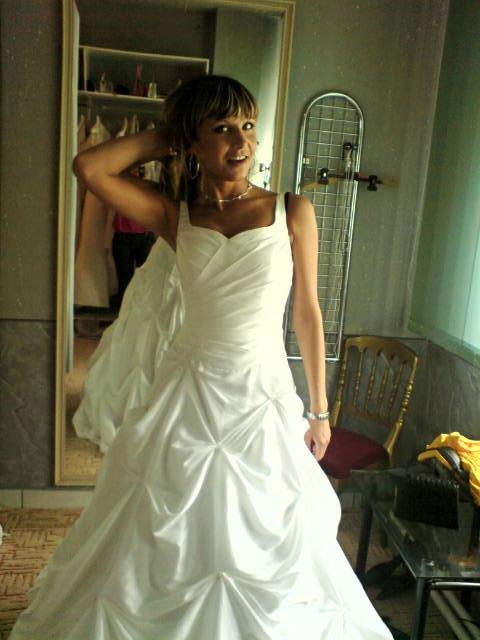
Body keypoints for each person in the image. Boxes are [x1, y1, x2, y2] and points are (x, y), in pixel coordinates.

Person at [10, 75, 393, 639]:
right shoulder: (177, 216)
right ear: (192, 141)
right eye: (222, 129)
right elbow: (88, 168)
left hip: (260, 398)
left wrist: (319, 410)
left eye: (247, 126)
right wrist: (168, 134)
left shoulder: (293, 210)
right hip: (187, 393)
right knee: (159, 528)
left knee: (270, 535)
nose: (241, 142)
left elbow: (307, 314)